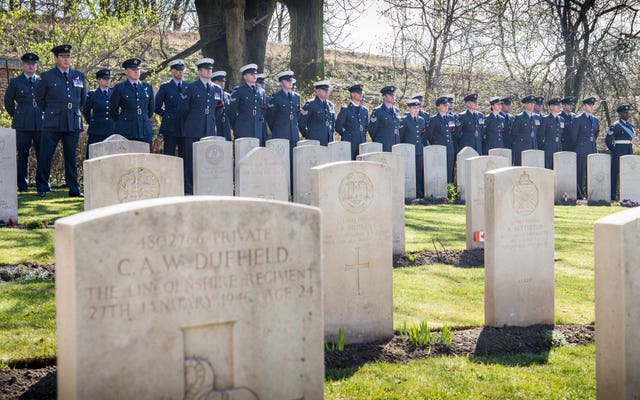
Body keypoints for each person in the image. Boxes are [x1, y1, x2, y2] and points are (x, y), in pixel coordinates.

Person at [35, 44, 86, 198]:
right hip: (53, 122)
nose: (66, 59)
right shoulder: (47, 76)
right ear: (56, 58)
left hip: (72, 121)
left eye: (68, 56)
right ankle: (42, 186)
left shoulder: (78, 75)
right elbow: (40, 99)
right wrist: (52, 111)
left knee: (71, 157)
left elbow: (82, 99)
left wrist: (73, 111)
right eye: (63, 57)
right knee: (46, 155)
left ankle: (74, 189)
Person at [179, 58, 222, 195]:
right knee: (191, 160)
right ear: (200, 71)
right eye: (206, 69)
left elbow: (219, 108)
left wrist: (210, 120)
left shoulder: (216, 89)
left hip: (209, 129)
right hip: (193, 129)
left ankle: (206, 186)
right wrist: (194, 120)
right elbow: (183, 109)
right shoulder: (191, 87)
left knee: (207, 160)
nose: (210, 71)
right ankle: (189, 188)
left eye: (211, 69)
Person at [4, 52, 42, 192]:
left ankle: (43, 184)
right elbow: (8, 102)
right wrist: (18, 115)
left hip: (40, 122)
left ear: (36, 66)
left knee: (42, 154)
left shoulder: (41, 81)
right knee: (23, 155)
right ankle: (22, 185)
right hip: (22, 124)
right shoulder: (15, 82)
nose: (31, 66)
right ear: (23, 65)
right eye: (28, 64)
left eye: (33, 64)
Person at [109, 57, 155, 147]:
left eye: (138, 69)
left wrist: (143, 118)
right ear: (126, 71)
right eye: (133, 69)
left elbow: (151, 109)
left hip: (144, 129)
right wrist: (123, 121)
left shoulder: (147, 87)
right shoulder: (119, 88)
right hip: (126, 130)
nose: (136, 71)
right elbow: (113, 110)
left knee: (145, 158)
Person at [155, 59, 188, 157]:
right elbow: (156, 106)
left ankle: (184, 173)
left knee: (185, 155)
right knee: (169, 154)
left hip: (185, 126)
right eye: (178, 70)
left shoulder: (188, 86)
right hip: (170, 126)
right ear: (172, 71)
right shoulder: (165, 87)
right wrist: (167, 115)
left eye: (182, 70)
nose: (180, 72)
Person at [229, 63, 268, 145]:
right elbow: (231, 111)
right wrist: (236, 126)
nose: (254, 76)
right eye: (251, 74)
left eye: (255, 74)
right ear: (245, 76)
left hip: (257, 129)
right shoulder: (239, 91)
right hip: (243, 129)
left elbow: (263, 111)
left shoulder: (261, 91)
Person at [571, 97, 599, 199]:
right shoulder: (578, 119)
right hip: (581, 149)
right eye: (589, 105)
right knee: (581, 173)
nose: (591, 107)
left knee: (591, 173)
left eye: (592, 105)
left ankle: (590, 194)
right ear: (584, 106)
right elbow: (573, 136)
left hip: (591, 148)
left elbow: (595, 134)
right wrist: (580, 145)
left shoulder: (595, 119)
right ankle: (579, 194)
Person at [82, 68, 115, 158]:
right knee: (93, 156)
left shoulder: (113, 93)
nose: (107, 81)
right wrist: (92, 122)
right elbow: (86, 111)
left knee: (110, 156)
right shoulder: (93, 94)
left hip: (111, 130)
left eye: (108, 79)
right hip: (96, 130)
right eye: (104, 79)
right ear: (99, 80)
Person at [605, 104, 634, 200]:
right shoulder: (615, 126)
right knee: (614, 173)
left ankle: (627, 194)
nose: (627, 114)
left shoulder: (630, 126)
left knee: (628, 173)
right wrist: (614, 150)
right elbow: (608, 140)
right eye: (625, 112)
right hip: (618, 152)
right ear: (620, 114)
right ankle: (612, 195)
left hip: (629, 151)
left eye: (628, 112)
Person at [400, 98, 427, 197]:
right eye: (414, 108)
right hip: (408, 150)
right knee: (409, 172)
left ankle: (419, 193)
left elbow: (423, 135)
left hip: (419, 149)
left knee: (419, 172)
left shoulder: (421, 120)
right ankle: (409, 192)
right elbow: (401, 136)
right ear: (410, 109)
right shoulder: (404, 120)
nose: (416, 110)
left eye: (417, 108)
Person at [427, 96, 456, 183]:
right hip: (439, 147)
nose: (446, 107)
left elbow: (454, 133)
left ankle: (449, 189)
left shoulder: (451, 118)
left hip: (450, 148)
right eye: (444, 105)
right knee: (440, 168)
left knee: (450, 169)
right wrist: (436, 144)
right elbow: (429, 135)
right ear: (438, 106)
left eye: (447, 105)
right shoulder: (434, 119)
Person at [335, 84, 368, 160]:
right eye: (358, 93)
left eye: (361, 93)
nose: (361, 95)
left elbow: (366, 126)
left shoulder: (364, 110)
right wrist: (347, 135)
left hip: (362, 143)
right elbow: (338, 126)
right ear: (352, 94)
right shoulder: (346, 109)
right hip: (349, 144)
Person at [299, 80, 336, 146]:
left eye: (328, 90)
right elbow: (301, 122)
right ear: (318, 91)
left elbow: (333, 123)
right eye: (325, 90)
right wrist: (308, 135)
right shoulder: (310, 104)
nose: (327, 92)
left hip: (329, 140)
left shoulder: (331, 105)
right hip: (315, 140)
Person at [368, 85, 400, 152]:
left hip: (395, 145)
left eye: (394, 95)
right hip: (383, 146)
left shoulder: (396, 110)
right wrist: (379, 142)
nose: (393, 97)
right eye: (390, 95)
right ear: (384, 96)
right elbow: (372, 130)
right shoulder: (378, 111)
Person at [510, 95, 539, 166]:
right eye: (530, 104)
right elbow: (514, 133)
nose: (532, 105)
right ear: (525, 105)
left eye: (533, 104)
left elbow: (537, 132)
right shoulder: (519, 117)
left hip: (533, 146)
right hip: (522, 147)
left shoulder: (536, 117)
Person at [538, 97, 564, 169]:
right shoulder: (545, 119)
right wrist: (544, 147)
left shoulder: (561, 119)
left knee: (557, 168)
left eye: (559, 105)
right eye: (557, 105)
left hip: (558, 147)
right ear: (551, 107)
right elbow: (540, 135)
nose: (559, 107)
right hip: (548, 147)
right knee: (548, 168)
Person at [211, 70, 232, 141]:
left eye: (224, 81)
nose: (222, 83)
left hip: (226, 126)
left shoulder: (228, 96)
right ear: (213, 82)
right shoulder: (210, 94)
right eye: (220, 81)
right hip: (215, 125)